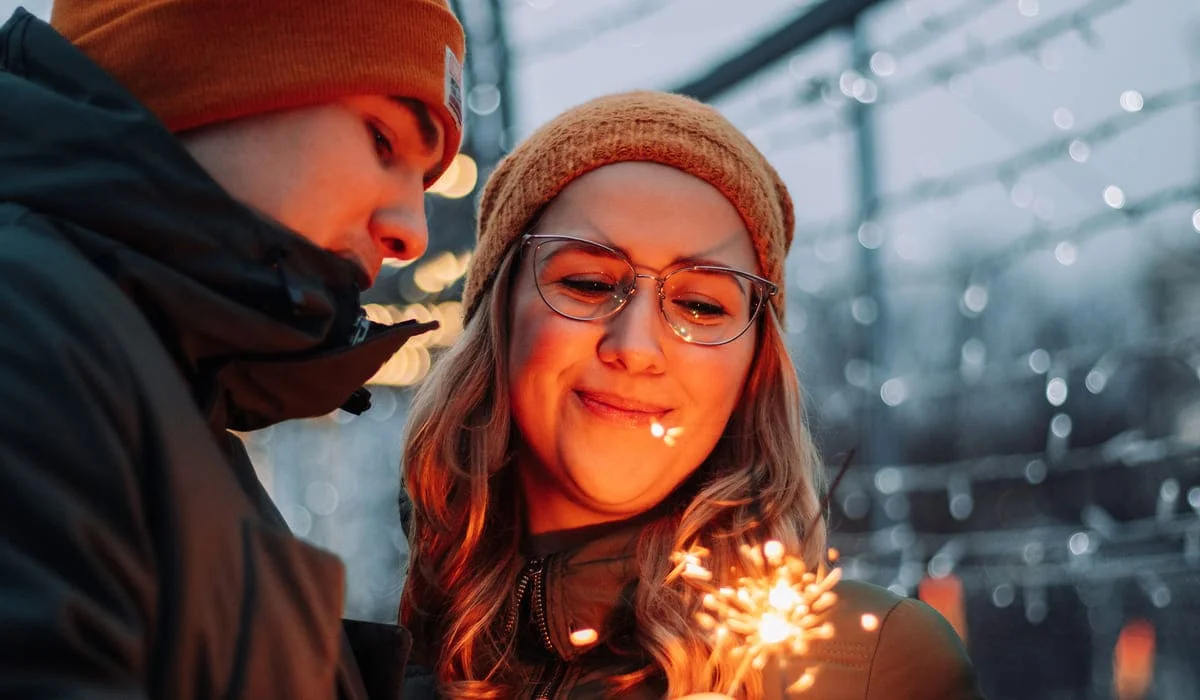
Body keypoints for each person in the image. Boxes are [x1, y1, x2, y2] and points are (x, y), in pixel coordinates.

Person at [399, 91, 986, 699]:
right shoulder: (373, 667)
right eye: (587, 282)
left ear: (753, 369)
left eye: (701, 305)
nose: (636, 346)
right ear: (498, 321)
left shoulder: (868, 666)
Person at [0, 1, 464, 698]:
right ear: (200, 78)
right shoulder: (32, 329)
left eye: (426, 181)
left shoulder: (161, 387)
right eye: (382, 139)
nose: (413, 230)